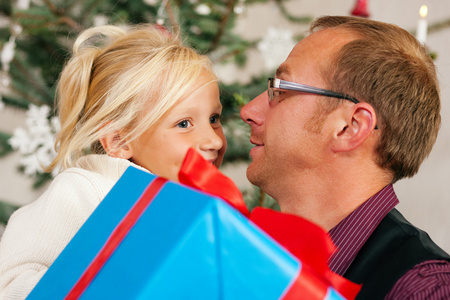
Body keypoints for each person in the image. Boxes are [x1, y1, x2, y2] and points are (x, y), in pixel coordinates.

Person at [0, 23, 226, 299]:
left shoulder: (198, 210)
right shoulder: (85, 191)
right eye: (184, 123)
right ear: (119, 141)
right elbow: (8, 284)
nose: (213, 140)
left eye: (214, 119)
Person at [240, 15, 450, 299]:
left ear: (350, 128)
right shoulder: (253, 254)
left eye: (280, 89)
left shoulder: (426, 289)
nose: (248, 111)